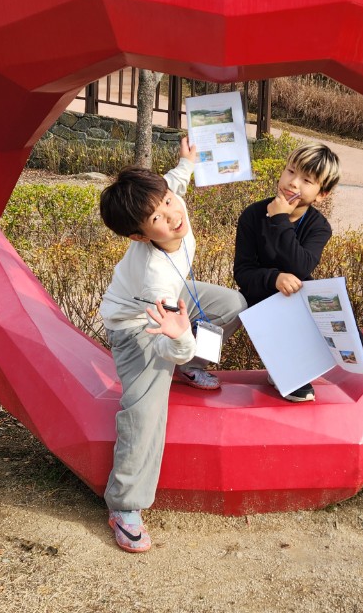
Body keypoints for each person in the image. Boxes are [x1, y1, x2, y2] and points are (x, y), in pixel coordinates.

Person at [97, 139, 247, 553]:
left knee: (233, 305)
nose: (172, 216)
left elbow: (172, 184)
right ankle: (124, 505)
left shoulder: (171, 201)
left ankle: (192, 363)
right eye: (157, 219)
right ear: (139, 235)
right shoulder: (154, 278)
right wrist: (182, 338)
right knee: (146, 409)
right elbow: (166, 346)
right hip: (139, 325)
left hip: (177, 297)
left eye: (167, 203)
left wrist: (185, 163)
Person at [233, 142, 341, 402]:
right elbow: (243, 272)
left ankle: (294, 368)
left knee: (350, 334)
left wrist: (280, 219)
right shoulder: (253, 215)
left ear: (321, 194)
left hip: (296, 294)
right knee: (276, 311)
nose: (293, 182)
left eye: (306, 180)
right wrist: (274, 278)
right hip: (259, 294)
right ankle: (285, 369)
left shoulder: (319, 227)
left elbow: (301, 267)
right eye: (291, 171)